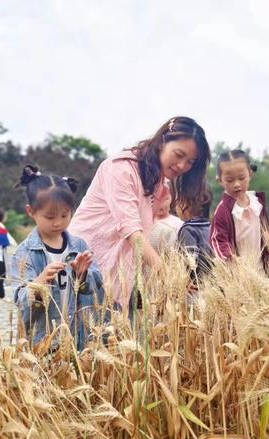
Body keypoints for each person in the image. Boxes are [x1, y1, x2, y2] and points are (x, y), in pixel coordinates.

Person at [69, 116, 210, 307]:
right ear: (162, 142)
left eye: (190, 162)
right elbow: (131, 231)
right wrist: (168, 276)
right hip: (82, 266)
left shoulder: (160, 183)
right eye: (178, 154)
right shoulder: (121, 168)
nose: (182, 166)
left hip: (117, 278)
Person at [11, 165, 104, 351]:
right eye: (50, 216)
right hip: (43, 339)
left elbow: (97, 286)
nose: (58, 222)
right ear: (31, 211)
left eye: (65, 215)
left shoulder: (79, 245)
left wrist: (82, 275)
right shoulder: (25, 253)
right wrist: (39, 283)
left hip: (78, 335)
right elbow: (21, 302)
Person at [210, 149, 269, 269]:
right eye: (230, 180)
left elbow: (266, 236)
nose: (236, 184)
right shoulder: (223, 210)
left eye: (241, 178)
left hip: (261, 272)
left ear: (250, 175)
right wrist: (231, 262)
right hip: (238, 275)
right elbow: (218, 241)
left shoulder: (257, 204)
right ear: (220, 180)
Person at [176, 183, 213, 283]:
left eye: (178, 201)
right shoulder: (211, 226)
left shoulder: (188, 229)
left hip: (196, 285)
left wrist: (186, 280)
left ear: (186, 204)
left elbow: (190, 260)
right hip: (213, 283)